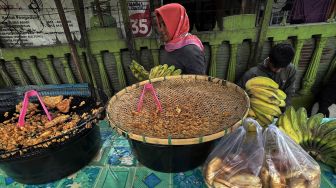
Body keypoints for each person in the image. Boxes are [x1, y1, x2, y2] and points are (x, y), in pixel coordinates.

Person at [155, 3, 206, 74]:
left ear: (176, 23)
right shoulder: (171, 46)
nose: (161, 29)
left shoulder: (191, 52)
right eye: (160, 25)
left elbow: (199, 83)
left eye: (165, 24)